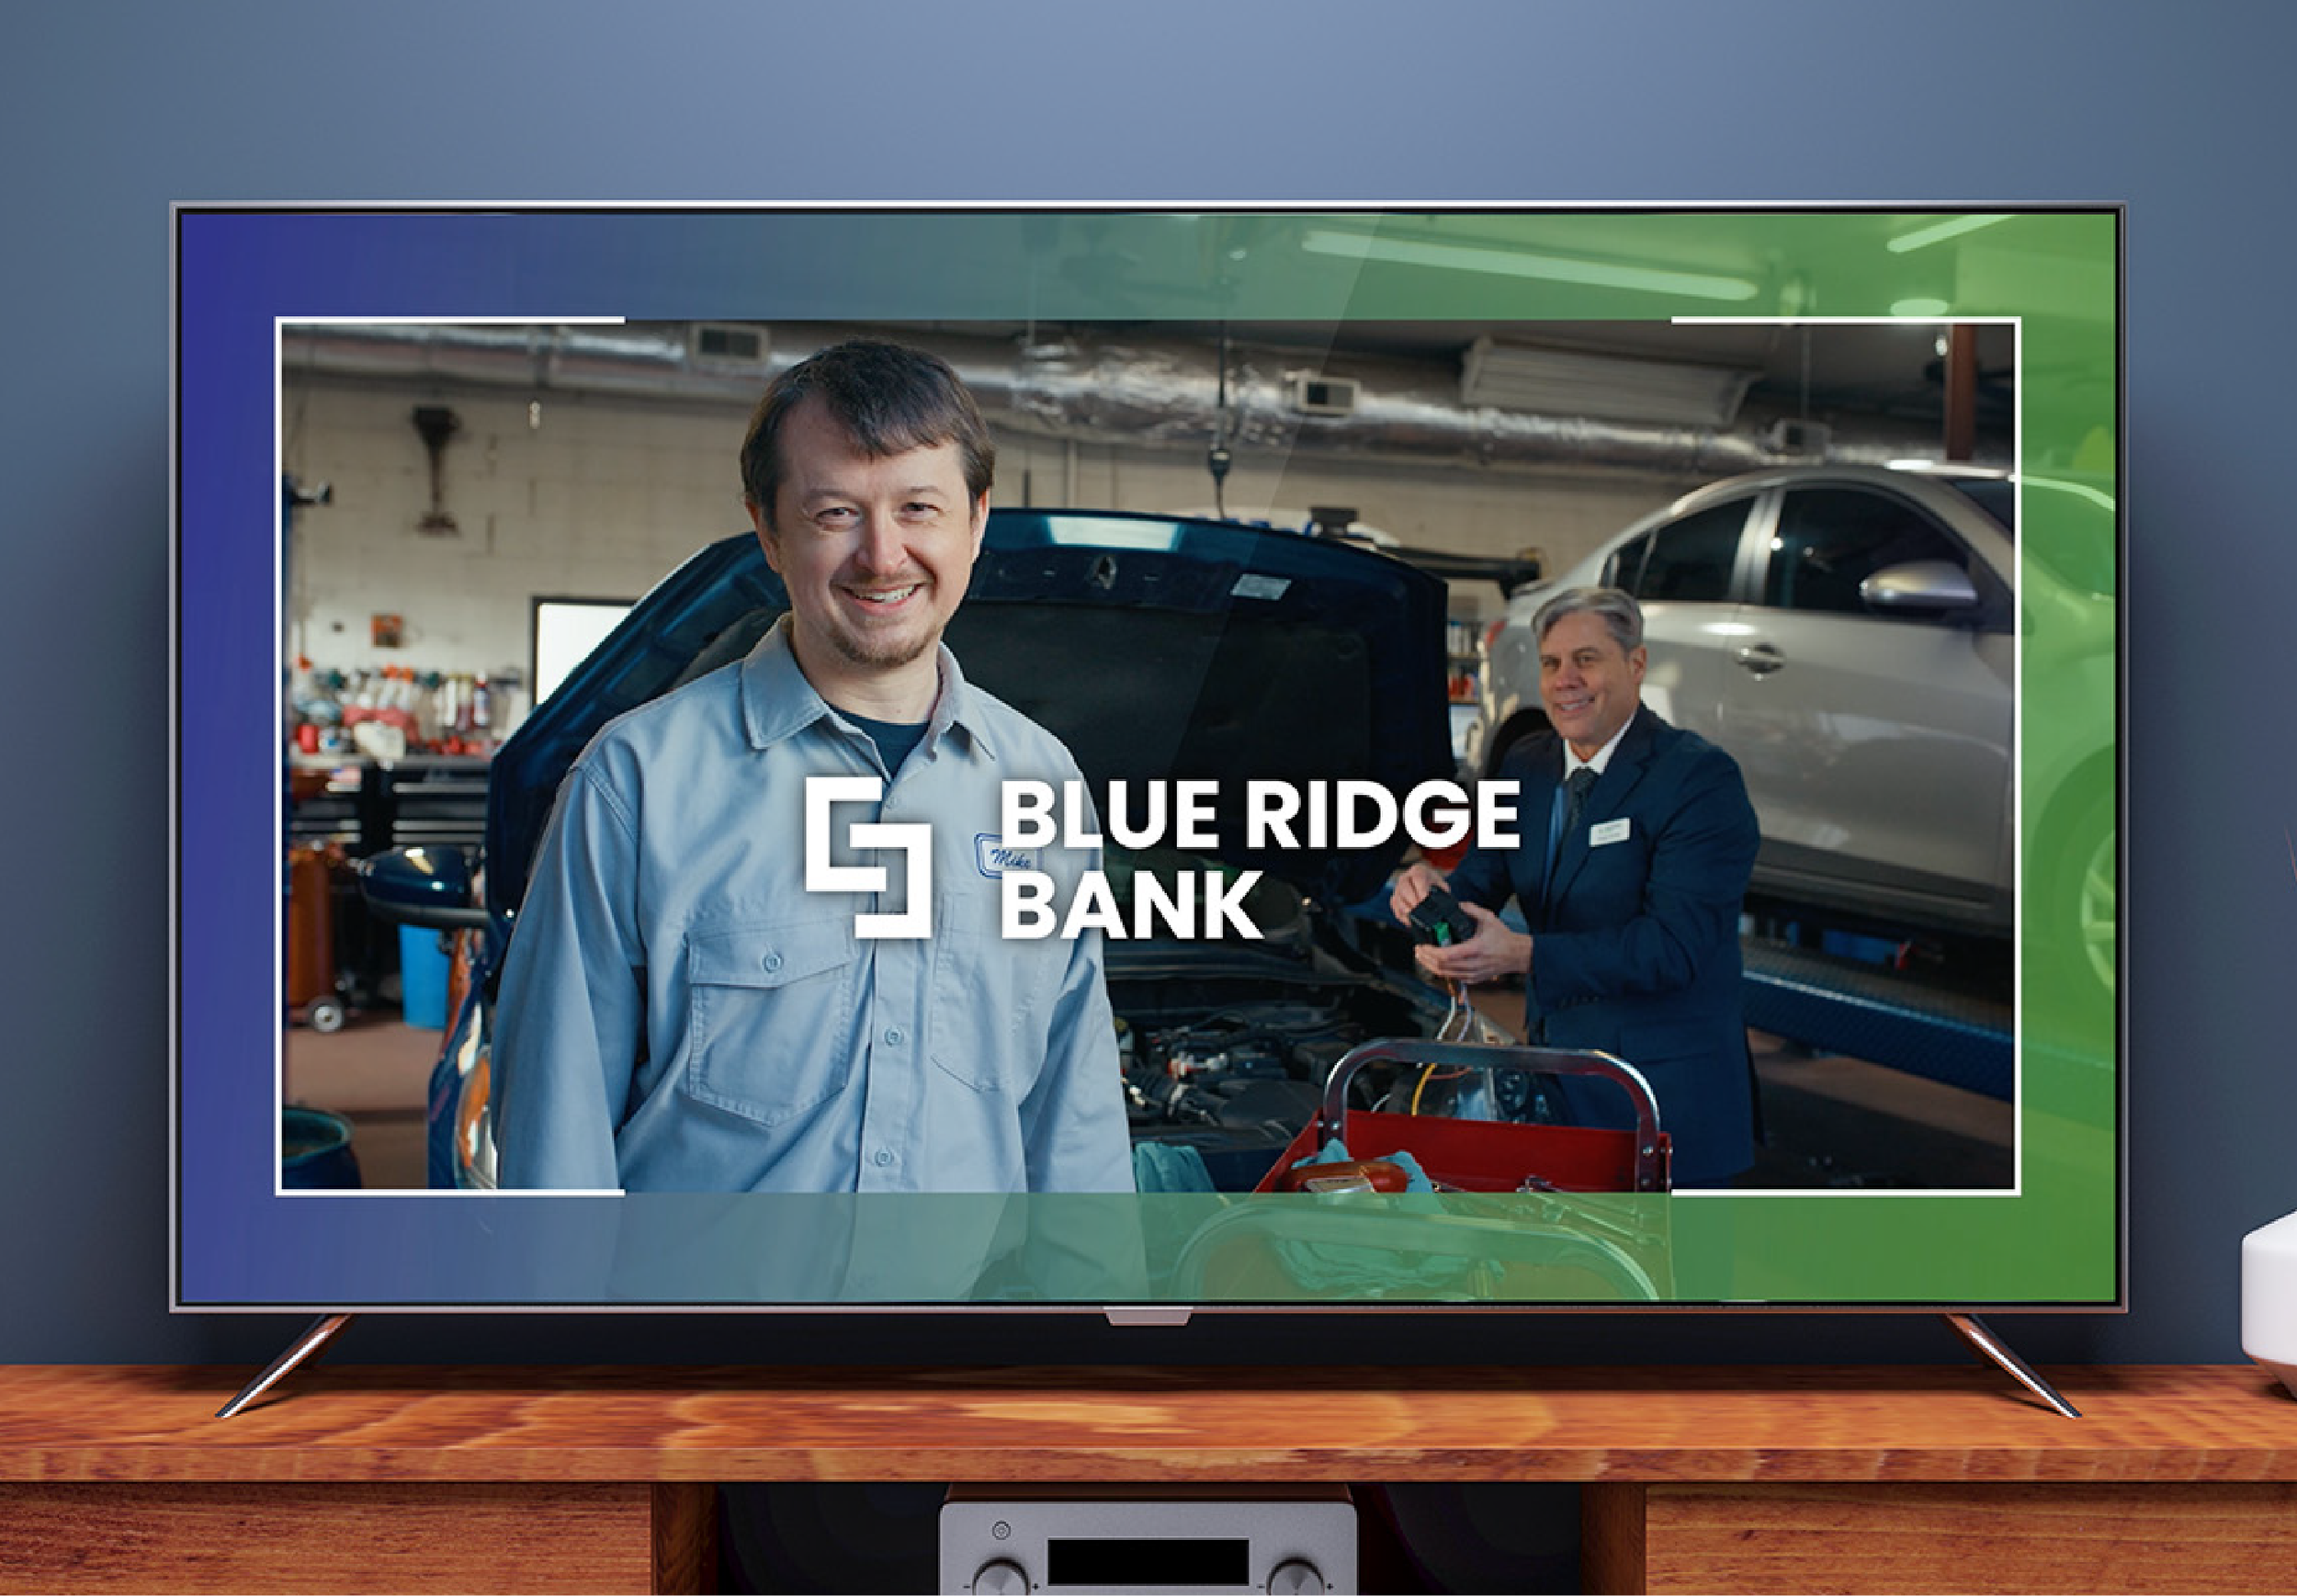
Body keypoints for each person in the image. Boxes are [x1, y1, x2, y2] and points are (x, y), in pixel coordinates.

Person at [492, 339, 1135, 1194]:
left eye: (919, 508)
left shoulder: (1043, 781)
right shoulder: (637, 783)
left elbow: (1075, 1110)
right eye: (836, 513)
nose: (882, 555)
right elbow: (556, 1147)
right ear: (768, 528)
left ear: (976, 522)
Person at [1390, 586, 1760, 1186]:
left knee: (1680, 1278)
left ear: (1634, 664)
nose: (1566, 679)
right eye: (1551, 662)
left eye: (1586, 659)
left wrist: (1522, 953)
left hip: (1664, 1098)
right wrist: (1433, 900)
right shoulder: (1528, 767)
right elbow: (1481, 877)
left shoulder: (1697, 779)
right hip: (1562, 1082)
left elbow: (1674, 946)